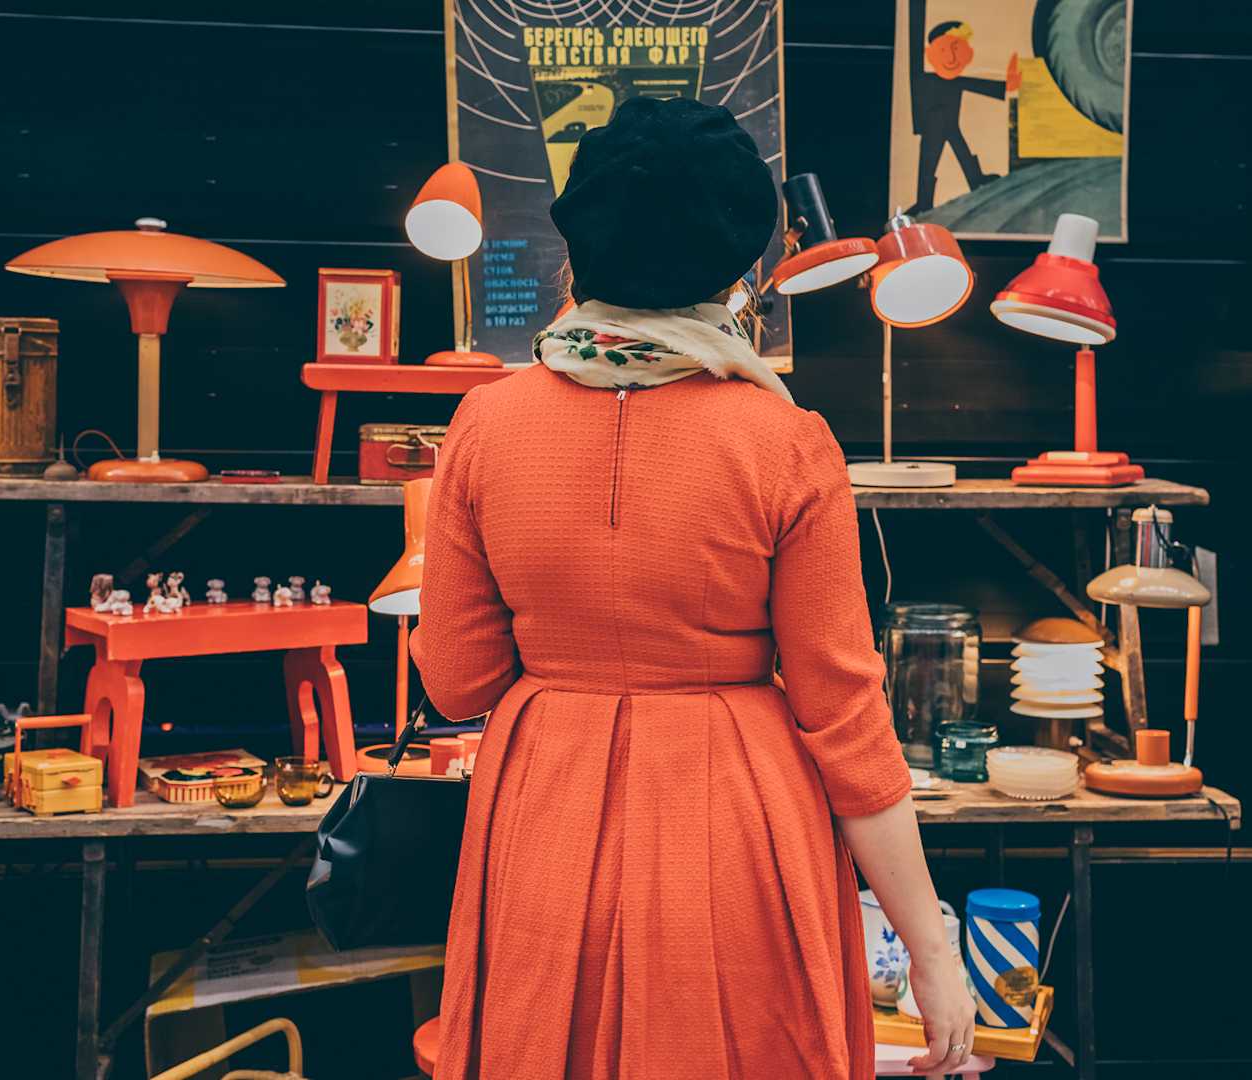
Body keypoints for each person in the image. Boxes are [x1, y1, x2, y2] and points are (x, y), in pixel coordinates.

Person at [412, 96, 973, 1079]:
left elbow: (457, 680)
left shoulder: (482, 427)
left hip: (544, 823)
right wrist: (930, 951)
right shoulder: (787, 442)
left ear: (578, 247)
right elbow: (845, 722)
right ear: (739, 267)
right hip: (738, 833)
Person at [906, 14, 1020, 214]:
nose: (951, 57)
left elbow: (975, 84)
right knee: (930, 161)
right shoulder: (927, 79)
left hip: (949, 123)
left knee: (957, 152)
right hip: (934, 125)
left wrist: (1006, 85)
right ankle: (925, 201)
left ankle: (974, 180)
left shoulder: (953, 80)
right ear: (929, 53)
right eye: (943, 50)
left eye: (957, 48)